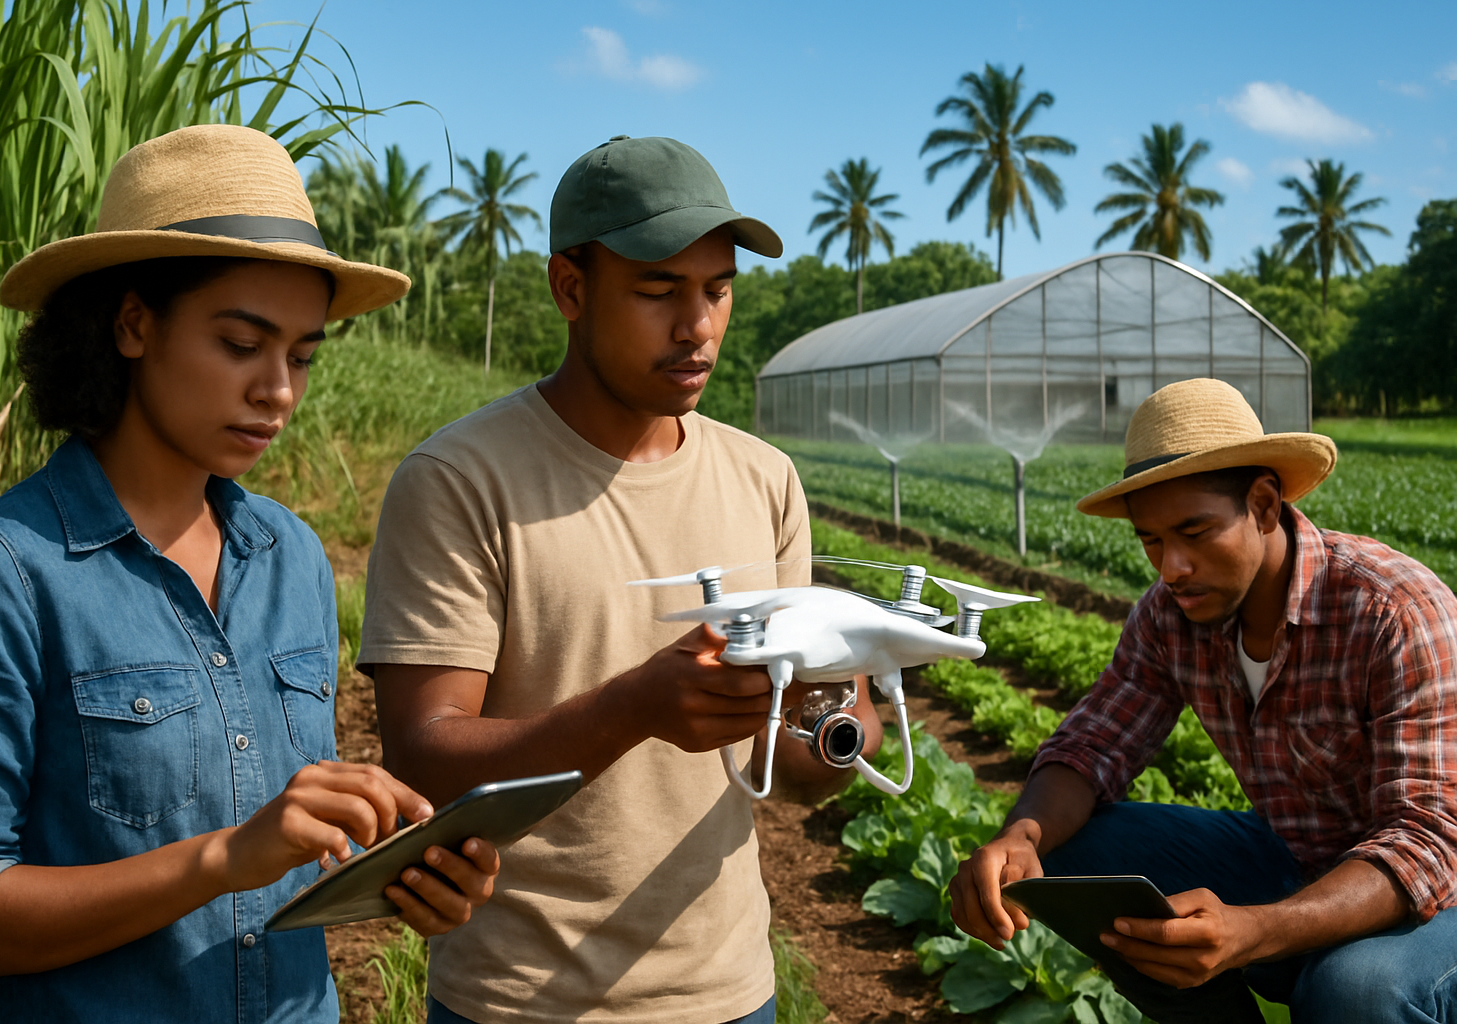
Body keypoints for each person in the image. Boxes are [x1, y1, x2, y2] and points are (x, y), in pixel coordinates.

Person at [0, 124, 500, 1022]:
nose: (279, 390)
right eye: (240, 344)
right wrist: (224, 859)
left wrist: (402, 875)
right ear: (132, 324)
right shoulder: (2, 572)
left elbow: (284, 847)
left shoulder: (292, 557)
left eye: (302, 356)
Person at [360, 134, 885, 1024]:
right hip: (517, 1001)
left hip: (729, 992)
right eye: (657, 290)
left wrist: (839, 720)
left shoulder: (765, 481)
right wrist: (631, 709)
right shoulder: (460, 481)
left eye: (717, 290)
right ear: (571, 288)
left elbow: (796, 765)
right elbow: (423, 762)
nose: (698, 326)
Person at [947, 378, 1457, 1023]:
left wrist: (1256, 929)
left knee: (1356, 987)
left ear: (1264, 505)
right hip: (1299, 855)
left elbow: (1428, 841)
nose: (1172, 568)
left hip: (1442, 893)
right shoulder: (1172, 615)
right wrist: (1019, 836)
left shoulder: (1392, 610)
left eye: (1195, 531)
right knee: (1075, 857)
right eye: (1152, 541)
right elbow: (1093, 744)